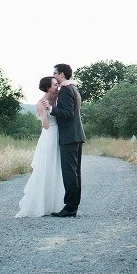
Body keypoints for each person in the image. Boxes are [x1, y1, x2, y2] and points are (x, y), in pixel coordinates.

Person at [15, 77, 65, 218]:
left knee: (56, 168)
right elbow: (45, 125)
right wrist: (45, 112)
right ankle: (40, 205)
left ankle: (55, 204)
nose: (57, 86)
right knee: (46, 168)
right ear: (48, 87)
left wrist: (53, 107)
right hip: (49, 136)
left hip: (57, 136)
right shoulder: (41, 103)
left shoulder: (56, 99)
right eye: (55, 85)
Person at [44, 63, 85, 217]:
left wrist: (51, 109)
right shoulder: (73, 88)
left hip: (69, 136)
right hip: (76, 135)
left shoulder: (66, 90)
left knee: (70, 173)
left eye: (54, 73)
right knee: (75, 173)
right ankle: (73, 206)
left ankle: (70, 207)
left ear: (61, 74)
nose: (53, 76)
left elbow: (67, 113)